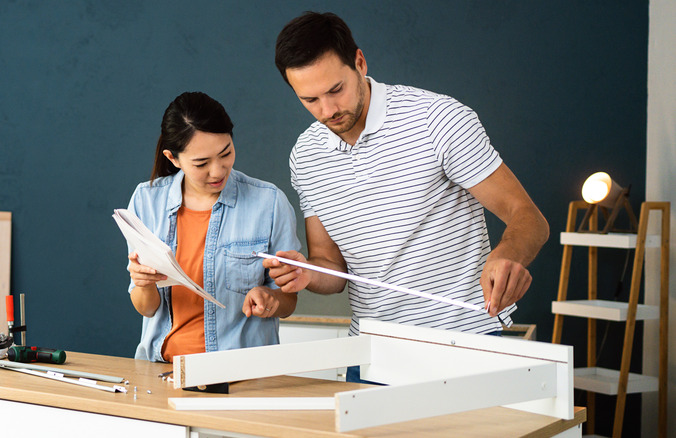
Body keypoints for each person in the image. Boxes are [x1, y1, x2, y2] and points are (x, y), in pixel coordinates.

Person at [265, 12, 549, 380]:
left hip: (464, 346)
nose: (328, 110)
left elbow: (529, 218)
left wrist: (508, 256)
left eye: (336, 90)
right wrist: (308, 272)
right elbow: (331, 269)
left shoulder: (438, 120)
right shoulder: (305, 156)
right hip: (371, 354)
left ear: (360, 63)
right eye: (310, 99)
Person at [126, 91, 300, 363]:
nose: (218, 171)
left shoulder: (269, 202)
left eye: (225, 153)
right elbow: (146, 309)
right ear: (173, 158)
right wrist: (143, 283)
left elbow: (289, 302)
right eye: (201, 163)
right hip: (161, 370)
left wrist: (269, 298)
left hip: (241, 371)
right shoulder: (146, 201)